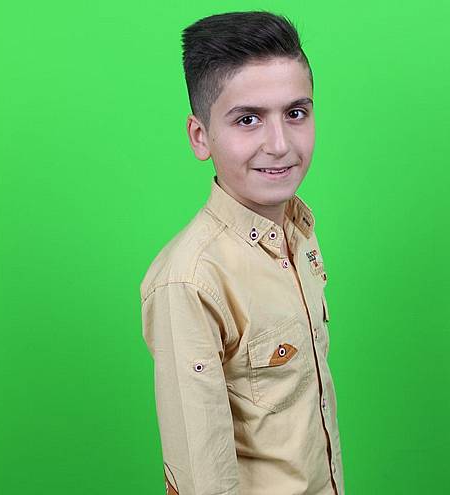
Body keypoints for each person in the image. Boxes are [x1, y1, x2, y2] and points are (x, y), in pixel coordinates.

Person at [140, 10, 345, 495]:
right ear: (200, 137)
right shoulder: (190, 281)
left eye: (296, 113)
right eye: (248, 119)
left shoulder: (299, 232)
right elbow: (201, 477)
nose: (279, 144)